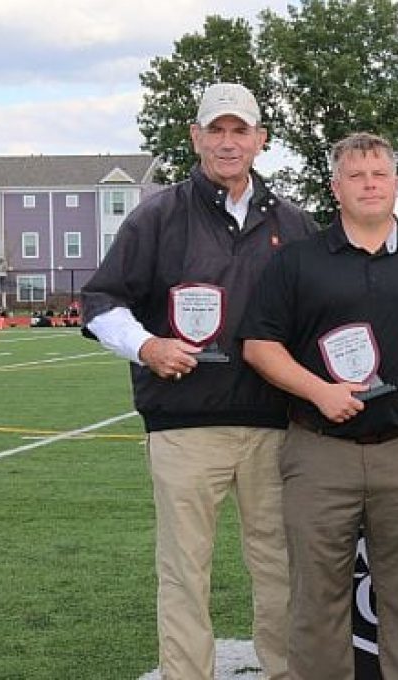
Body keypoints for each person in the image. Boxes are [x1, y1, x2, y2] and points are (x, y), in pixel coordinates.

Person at [81, 82, 317, 680]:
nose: (228, 142)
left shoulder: (294, 223)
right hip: (184, 427)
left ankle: (286, 671)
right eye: (217, 130)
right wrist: (147, 345)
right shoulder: (157, 215)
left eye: (241, 131)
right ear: (195, 137)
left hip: (273, 426)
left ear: (261, 140)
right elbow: (102, 301)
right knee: (185, 570)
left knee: (280, 567)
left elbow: (327, 309)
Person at [240, 132, 398, 680]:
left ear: (397, 184)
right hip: (320, 454)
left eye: (380, 174)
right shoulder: (298, 261)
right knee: (316, 606)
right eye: (356, 175)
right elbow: (259, 345)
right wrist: (320, 391)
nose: (370, 184)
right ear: (335, 187)